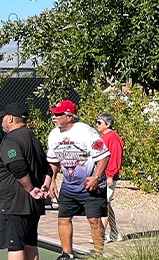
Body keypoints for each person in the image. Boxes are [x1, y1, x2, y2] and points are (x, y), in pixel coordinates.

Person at [43, 100, 111, 259]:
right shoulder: (53, 134)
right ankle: (67, 254)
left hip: (92, 186)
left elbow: (104, 156)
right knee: (63, 219)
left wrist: (96, 177)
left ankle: (98, 255)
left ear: (69, 117)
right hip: (69, 186)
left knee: (94, 220)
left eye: (58, 114)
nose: (54, 117)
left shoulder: (86, 132)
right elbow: (53, 161)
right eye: (53, 113)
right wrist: (52, 180)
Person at [0, 103, 50, 260]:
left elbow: (17, 165)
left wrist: (30, 189)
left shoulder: (12, 140)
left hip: (13, 204)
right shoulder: (33, 139)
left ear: (10, 119)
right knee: (30, 244)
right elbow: (48, 169)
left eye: (3, 117)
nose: (1, 120)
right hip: (29, 205)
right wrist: (45, 186)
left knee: (15, 246)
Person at [94, 113, 124, 243]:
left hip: (108, 176)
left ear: (108, 124)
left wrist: (110, 175)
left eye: (99, 122)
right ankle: (115, 233)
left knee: (103, 204)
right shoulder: (104, 137)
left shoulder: (113, 137)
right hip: (101, 175)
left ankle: (100, 235)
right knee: (106, 203)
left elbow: (115, 157)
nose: (97, 125)